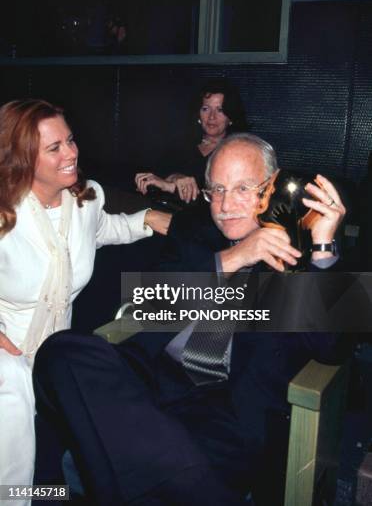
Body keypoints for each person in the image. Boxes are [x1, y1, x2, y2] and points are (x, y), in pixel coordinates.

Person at [33, 133, 349, 506]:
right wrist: (229, 261)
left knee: (158, 456)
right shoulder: (193, 229)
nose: (226, 205)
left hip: (229, 410)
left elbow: (335, 349)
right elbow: (149, 305)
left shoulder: (302, 249)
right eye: (216, 189)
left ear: (272, 186)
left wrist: (325, 246)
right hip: (152, 383)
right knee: (62, 351)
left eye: (243, 188)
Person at [0, 99, 171, 506]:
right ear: (22, 158)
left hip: (56, 355)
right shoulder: (5, 211)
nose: (72, 152)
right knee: (13, 386)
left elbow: (106, 229)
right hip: (8, 350)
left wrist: (147, 218)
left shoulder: (85, 200)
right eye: (55, 147)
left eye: (71, 140)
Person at [135, 79, 247, 204]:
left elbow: (223, 200)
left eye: (220, 110)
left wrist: (173, 187)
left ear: (231, 117)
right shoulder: (181, 144)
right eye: (205, 109)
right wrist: (174, 177)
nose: (211, 117)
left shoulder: (239, 153)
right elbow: (156, 173)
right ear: (198, 114)